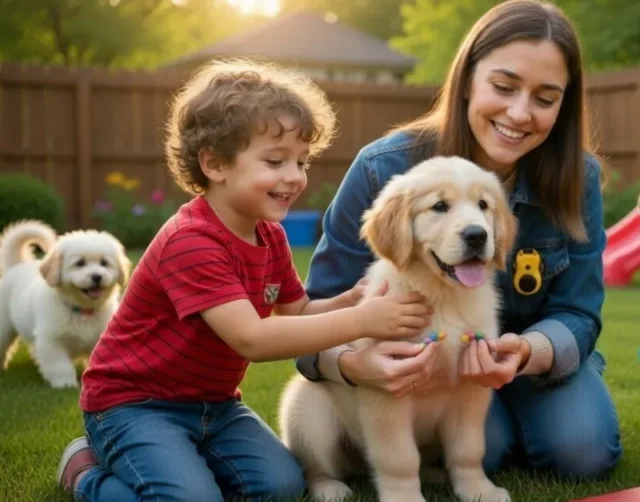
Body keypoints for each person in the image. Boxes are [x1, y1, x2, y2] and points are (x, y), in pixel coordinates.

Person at [54, 60, 434, 501]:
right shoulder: (191, 241)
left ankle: (184, 461)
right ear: (215, 164)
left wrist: (350, 299)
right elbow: (253, 339)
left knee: (282, 485)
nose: (295, 176)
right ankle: (85, 474)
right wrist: (364, 321)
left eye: (301, 161)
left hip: (214, 405)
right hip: (134, 406)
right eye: (275, 160)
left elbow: (299, 314)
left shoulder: (268, 234)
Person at [293, 0, 622, 480]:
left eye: (545, 98)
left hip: (528, 362)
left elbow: (579, 311)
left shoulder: (578, 177)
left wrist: (527, 352)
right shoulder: (382, 168)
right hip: (428, 379)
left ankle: (511, 426)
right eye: (504, 86)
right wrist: (352, 364)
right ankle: (496, 438)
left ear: (563, 105)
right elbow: (314, 315)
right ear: (468, 79)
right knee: (482, 452)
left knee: (582, 454)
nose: (519, 112)